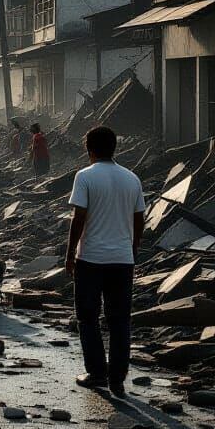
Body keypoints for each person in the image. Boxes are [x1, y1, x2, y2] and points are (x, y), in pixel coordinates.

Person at [64, 126, 146, 398]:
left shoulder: (85, 176)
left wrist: (69, 255)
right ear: (114, 147)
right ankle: (118, 379)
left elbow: (79, 218)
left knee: (88, 318)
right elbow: (139, 220)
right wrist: (132, 249)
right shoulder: (132, 178)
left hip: (91, 258)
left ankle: (97, 373)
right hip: (122, 260)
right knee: (120, 320)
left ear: (90, 149)